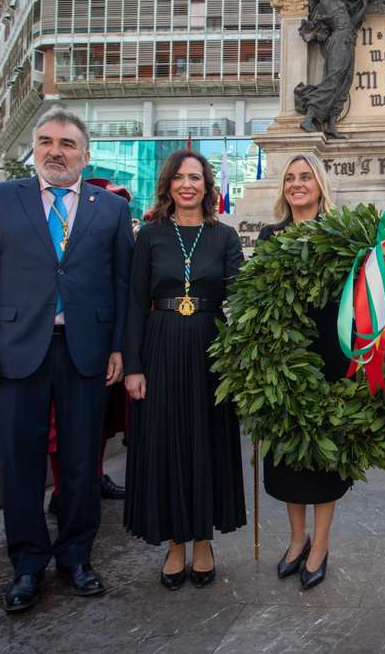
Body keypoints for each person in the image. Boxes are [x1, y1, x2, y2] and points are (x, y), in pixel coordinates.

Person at [0, 106, 134, 613]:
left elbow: (122, 285)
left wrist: (120, 345)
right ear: (34, 149)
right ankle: (28, 564)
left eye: (67, 143)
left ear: (85, 153)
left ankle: (76, 557)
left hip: (87, 353)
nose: (56, 151)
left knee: (82, 463)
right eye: (46, 142)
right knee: (21, 464)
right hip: (15, 353)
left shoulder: (112, 209)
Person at [122, 149, 246, 590]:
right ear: (169, 185)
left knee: (206, 442)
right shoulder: (151, 234)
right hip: (160, 345)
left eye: (196, 177)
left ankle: (203, 541)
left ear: (208, 186)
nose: (188, 185)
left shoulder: (224, 236)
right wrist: (133, 366)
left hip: (211, 349)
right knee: (167, 443)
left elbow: (244, 296)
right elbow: (135, 303)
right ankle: (176, 543)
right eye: (180, 177)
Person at [258, 152, 348, 591]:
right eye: (290, 178)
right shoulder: (271, 235)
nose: (297, 184)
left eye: (305, 177)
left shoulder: (341, 234)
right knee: (287, 456)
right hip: (283, 360)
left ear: (320, 184)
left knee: (325, 457)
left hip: (331, 356)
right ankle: (296, 540)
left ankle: (321, 545)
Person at [46, 178, 133, 516]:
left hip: (103, 343)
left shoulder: (117, 229)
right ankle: (62, 490)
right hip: (58, 339)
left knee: (97, 423)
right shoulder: (62, 231)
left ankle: (92, 478)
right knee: (59, 426)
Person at [296, 0, 375, 137]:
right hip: (339, 41)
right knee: (334, 79)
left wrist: (362, 8)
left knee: (344, 82)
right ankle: (309, 118)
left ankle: (332, 124)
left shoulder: (337, 1)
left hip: (347, 39)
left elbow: (350, 24)